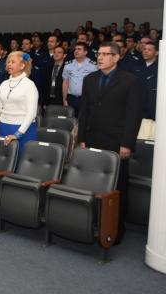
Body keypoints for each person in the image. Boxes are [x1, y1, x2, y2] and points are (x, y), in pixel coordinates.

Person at [78, 42, 143, 243]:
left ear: (116, 58)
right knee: (93, 182)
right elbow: (84, 111)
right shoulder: (89, 79)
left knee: (117, 186)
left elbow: (134, 115)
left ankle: (116, 230)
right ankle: (93, 223)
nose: (100, 57)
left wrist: (127, 143)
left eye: (106, 54)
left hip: (117, 142)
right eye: (99, 54)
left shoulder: (130, 81)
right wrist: (81, 138)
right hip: (92, 139)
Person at [0, 51, 38, 160]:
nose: (9, 64)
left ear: (22, 66)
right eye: (8, 62)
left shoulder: (29, 85)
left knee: (20, 165)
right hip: (3, 128)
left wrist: (18, 134)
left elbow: (32, 113)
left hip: (23, 130)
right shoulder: (4, 84)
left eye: (13, 62)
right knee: (1, 163)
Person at [62, 42, 97, 116]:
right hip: (71, 99)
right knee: (70, 120)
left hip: (86, 98)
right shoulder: (68, 65)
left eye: (79, 49)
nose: (76, 51)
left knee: (84, 121)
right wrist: (64, 99)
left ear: (85, 52)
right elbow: (65, 82)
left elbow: (96, 85)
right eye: (75, 49)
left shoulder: (93, 66)